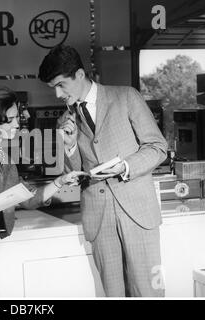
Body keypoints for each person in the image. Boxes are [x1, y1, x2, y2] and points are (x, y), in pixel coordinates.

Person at [38, 45, 168, 297]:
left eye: (61, 85)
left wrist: (126, 167)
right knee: (113, 294)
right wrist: (71, 145)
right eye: (52, 87)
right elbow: (74, 174)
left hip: (138, 213)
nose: (57, 94)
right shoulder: (65, 121)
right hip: (99, 219)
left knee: (150, 291)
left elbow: (157, 147)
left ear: (78, 75)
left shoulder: (126, 97)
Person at [0, 86, 86, 296]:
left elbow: (27, 199)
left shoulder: (2, 156)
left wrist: (60, 181)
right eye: (12, 119)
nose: (18, 123)